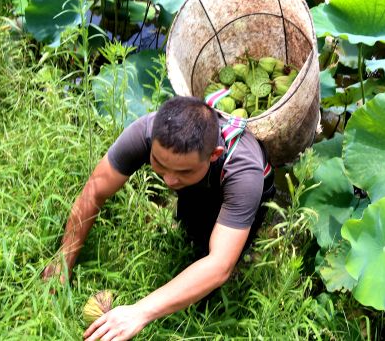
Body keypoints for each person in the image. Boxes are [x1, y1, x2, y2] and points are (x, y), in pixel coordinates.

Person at [42, 96, 275, 341]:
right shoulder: (147, 130)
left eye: (183, 171)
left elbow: (220, 265)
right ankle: (194, 241)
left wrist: (139, 312)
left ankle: (208, 292)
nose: (170, 181)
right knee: (194, 228)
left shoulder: (244, 173)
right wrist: (63, 260)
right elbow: (94, 191)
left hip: (243, 186)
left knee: (220, 259)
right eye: (159, 164)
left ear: (214, 155)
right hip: (201, 180)